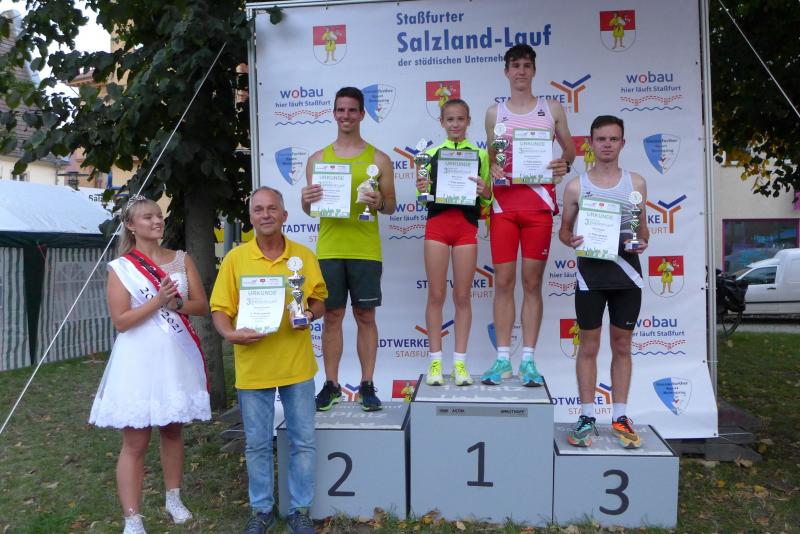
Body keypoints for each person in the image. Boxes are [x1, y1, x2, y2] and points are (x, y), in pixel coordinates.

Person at [89, 195, 210, 534]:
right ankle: (132, 517)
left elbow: (202, 306)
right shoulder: (122, 267)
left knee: (172, 430)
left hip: (174, 357)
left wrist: (176, 304)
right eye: (147, 217)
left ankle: (174, 498)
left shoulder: (181, 259)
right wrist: (157, 302)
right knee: (135, 442)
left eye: (159, 215)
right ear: (130, 225)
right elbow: (121, 321)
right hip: (138, 360)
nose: (157, 221)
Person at [211, 187, 326, 534]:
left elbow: (319, 301)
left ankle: (299, 510)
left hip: (296, 365)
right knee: (257, 444)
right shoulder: (235, 259)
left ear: (284, 215)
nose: (265, 215)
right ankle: (261, 510)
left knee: (303, 441)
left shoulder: (302, 256)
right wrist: (230, 334)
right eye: (258, 209)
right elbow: (220, 309)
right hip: (253, 366)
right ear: (250, 217)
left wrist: (307, 315)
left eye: (272, 208)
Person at [481, 44, 575, 386]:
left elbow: (570, 150)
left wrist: (563, 165)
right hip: (504, 208)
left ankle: (529, 361)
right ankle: (502, 359)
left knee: (532, 283)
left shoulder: (551, 108)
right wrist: (492, 167)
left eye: (526, 65)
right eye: (515, 65)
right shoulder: (494, 112)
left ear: (534, 71)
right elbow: (492, 158)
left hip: (538, 207)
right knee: (503, 283)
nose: (520, 71)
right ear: (506, 71)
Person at [301, 86, 395, 412]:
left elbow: (391, 205)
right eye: (341, 110)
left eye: (352, 110)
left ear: (362, 114)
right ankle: (331, 385)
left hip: (365, 250)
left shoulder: (379, 159)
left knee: (365, 315)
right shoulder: (317, 160)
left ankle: (367, 384)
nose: (346, 116)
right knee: (331, 316)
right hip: (329, 250)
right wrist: (305, 200)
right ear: (333, 113)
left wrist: (379, 201)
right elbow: (310, 210)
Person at [558, 115, 650, 449]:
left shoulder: (636, 183)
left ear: (622, 143)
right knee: (589, 346)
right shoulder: (576, 186)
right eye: (601, 139)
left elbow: (643, 232)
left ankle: (620, 416)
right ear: (591, 143)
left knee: (622, 345)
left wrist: (642, 243)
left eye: (613, 139)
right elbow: (564, 232)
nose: (607, 145)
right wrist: (571, 239)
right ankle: (586, 416)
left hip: (627, 275)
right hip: (590, 276)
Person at [416, 98, 492, 386]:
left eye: (461, 119)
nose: (456, 124)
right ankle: (435, 362)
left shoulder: (480, 154)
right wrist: (421, 188)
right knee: (436, 295)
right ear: (442, 122)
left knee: (462, 296)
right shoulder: (429, 154)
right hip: (437, 227)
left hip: (465, 229)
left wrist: (485, 191)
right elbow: (421, 198)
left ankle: (460, 363)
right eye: (450, 119)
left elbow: (488, 200)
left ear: (469, 121)